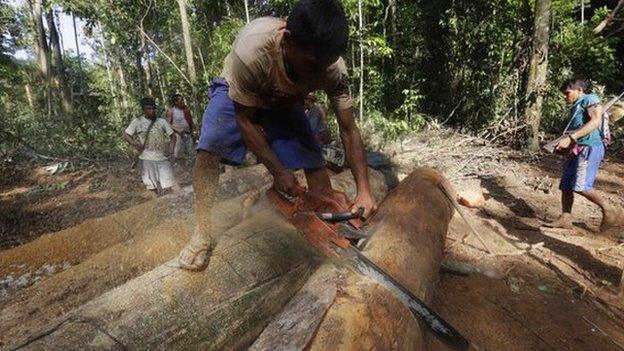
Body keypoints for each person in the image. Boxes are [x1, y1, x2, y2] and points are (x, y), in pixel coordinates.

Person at [177, 0, 377, 270]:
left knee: (313, 159)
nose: (319, 74)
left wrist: (364, 190)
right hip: (240, 94)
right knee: (209, 149)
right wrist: (278, 171)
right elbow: (244, 120)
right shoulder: (252, 52)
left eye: (325, 66)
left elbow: (348, 129)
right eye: (312, 65)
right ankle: (201, 232)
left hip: (285, 99)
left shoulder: (331, 68)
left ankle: (326, 224)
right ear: (288, 41)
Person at [546, 79, 623, 235]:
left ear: (579, 90)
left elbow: (595, 122)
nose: (565, 96)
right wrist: (566, 143)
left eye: (567, 92)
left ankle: (611, 210)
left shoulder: (590, 99)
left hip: (589, 148)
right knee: (566, 184)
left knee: (581, 186)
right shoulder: (577, 105)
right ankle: (565, 218)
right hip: (576, 149)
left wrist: (571, 138)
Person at [123, 97, 177, 195]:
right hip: (146, 159)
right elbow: (126, 135)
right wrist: (135, 143)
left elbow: (173, 136)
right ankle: (157, 204)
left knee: (168, 184)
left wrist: (171, 148)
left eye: (153, 108)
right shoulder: (137, 122)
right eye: (149, 109)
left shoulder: (162, 122)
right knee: (152, 187)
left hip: (162, 158)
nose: (152, 111)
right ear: (143, 110)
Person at [166, 93, 195, 163]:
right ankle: (178, 167)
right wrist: (177, 129)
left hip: (187, 133)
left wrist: (193, 131)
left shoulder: (186, 109)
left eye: (183, 100)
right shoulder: (171, 111)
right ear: (176, 102)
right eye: (181, 100)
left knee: (190, 151)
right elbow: (167, 124)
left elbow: (190, 121)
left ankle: (189, 166)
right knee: (178, 152)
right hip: (177, 134)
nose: (183, 102)